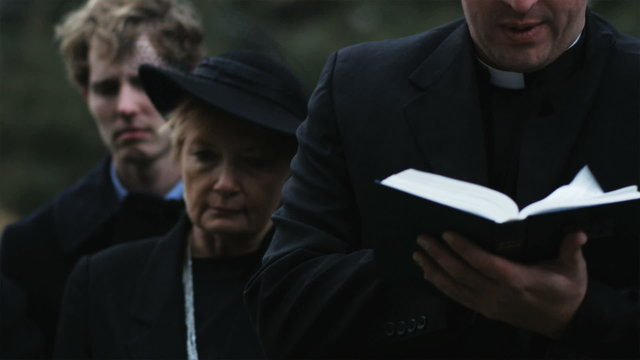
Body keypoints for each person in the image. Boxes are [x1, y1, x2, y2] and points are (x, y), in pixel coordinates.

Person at [244, 0, 640, 358]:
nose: (521, 4)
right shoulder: (357, 88)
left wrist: (580, 315)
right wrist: (443, 270)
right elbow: (284, 308)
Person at [53, 50, 307, 358]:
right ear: (178, 153)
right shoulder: (105, 285)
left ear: (289, 172)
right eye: (205, 156)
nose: (224, 183)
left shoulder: (313, 289)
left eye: (253, 162)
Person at [0, 0, 203, 355]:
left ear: (188, 82)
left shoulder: (252, 225)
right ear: (86, 95)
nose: (126, 106)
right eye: (107, 88)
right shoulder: (32, 250)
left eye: (145, 82)